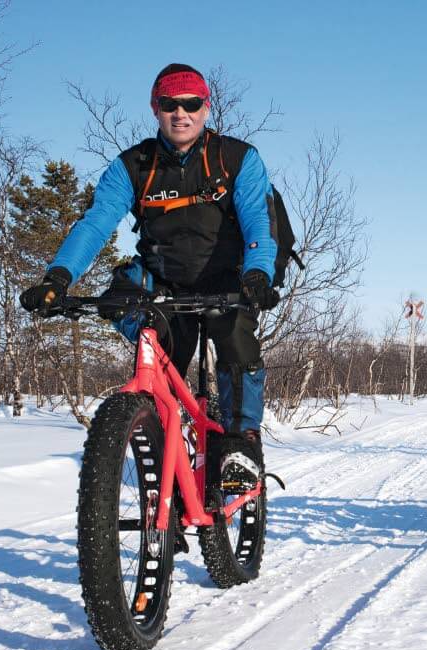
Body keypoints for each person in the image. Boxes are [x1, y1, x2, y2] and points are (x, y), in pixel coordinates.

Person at [19, 63, 278, 480]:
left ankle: (239, 441)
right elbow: (96, 222)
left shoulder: (237, 159)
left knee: (235, 340)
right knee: (128, 310)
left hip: (227, 280)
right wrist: (58, 278)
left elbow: (257, 222)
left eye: (191, 104)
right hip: (163, 281)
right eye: (169, 104)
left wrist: (258, 274)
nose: (181, 113)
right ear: (155, 109)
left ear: (206, 108)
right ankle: (153, 421)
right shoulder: (134, 165)